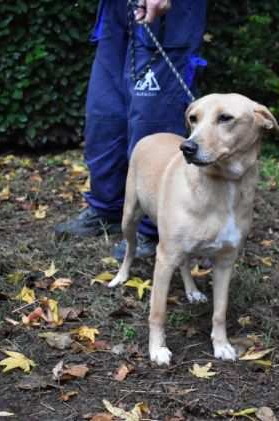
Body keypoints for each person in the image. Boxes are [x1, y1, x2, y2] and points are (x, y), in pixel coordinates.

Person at [54, 0, 207, 260]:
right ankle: (108, 209)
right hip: (118, 10)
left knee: (153, 123)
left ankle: (155, 228)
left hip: (169, 14)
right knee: (105, 116)